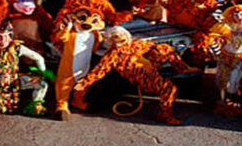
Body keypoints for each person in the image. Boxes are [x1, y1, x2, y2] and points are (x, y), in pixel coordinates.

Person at [73, 26, 201, 125]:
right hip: (142, 76)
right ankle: (164, 115)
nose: (119, 38)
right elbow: (100, 70)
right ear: (111, 40)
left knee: (163, 48)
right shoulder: (113, 54)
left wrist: (155, 57)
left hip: (150, 64)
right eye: (115, 37)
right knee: (169, 88)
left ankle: (183, 68)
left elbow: (153, 47)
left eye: (120, 35)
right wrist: (85, 82)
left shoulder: (137, 43)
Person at [0, 21, 51, 116]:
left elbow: (39, 58)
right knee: (1, 110)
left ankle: (35, 106)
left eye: (6, 36)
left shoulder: (17, 48)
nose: (3, 40)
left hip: (14, 80)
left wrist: (40, 74)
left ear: (10, 37)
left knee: (42, 85)